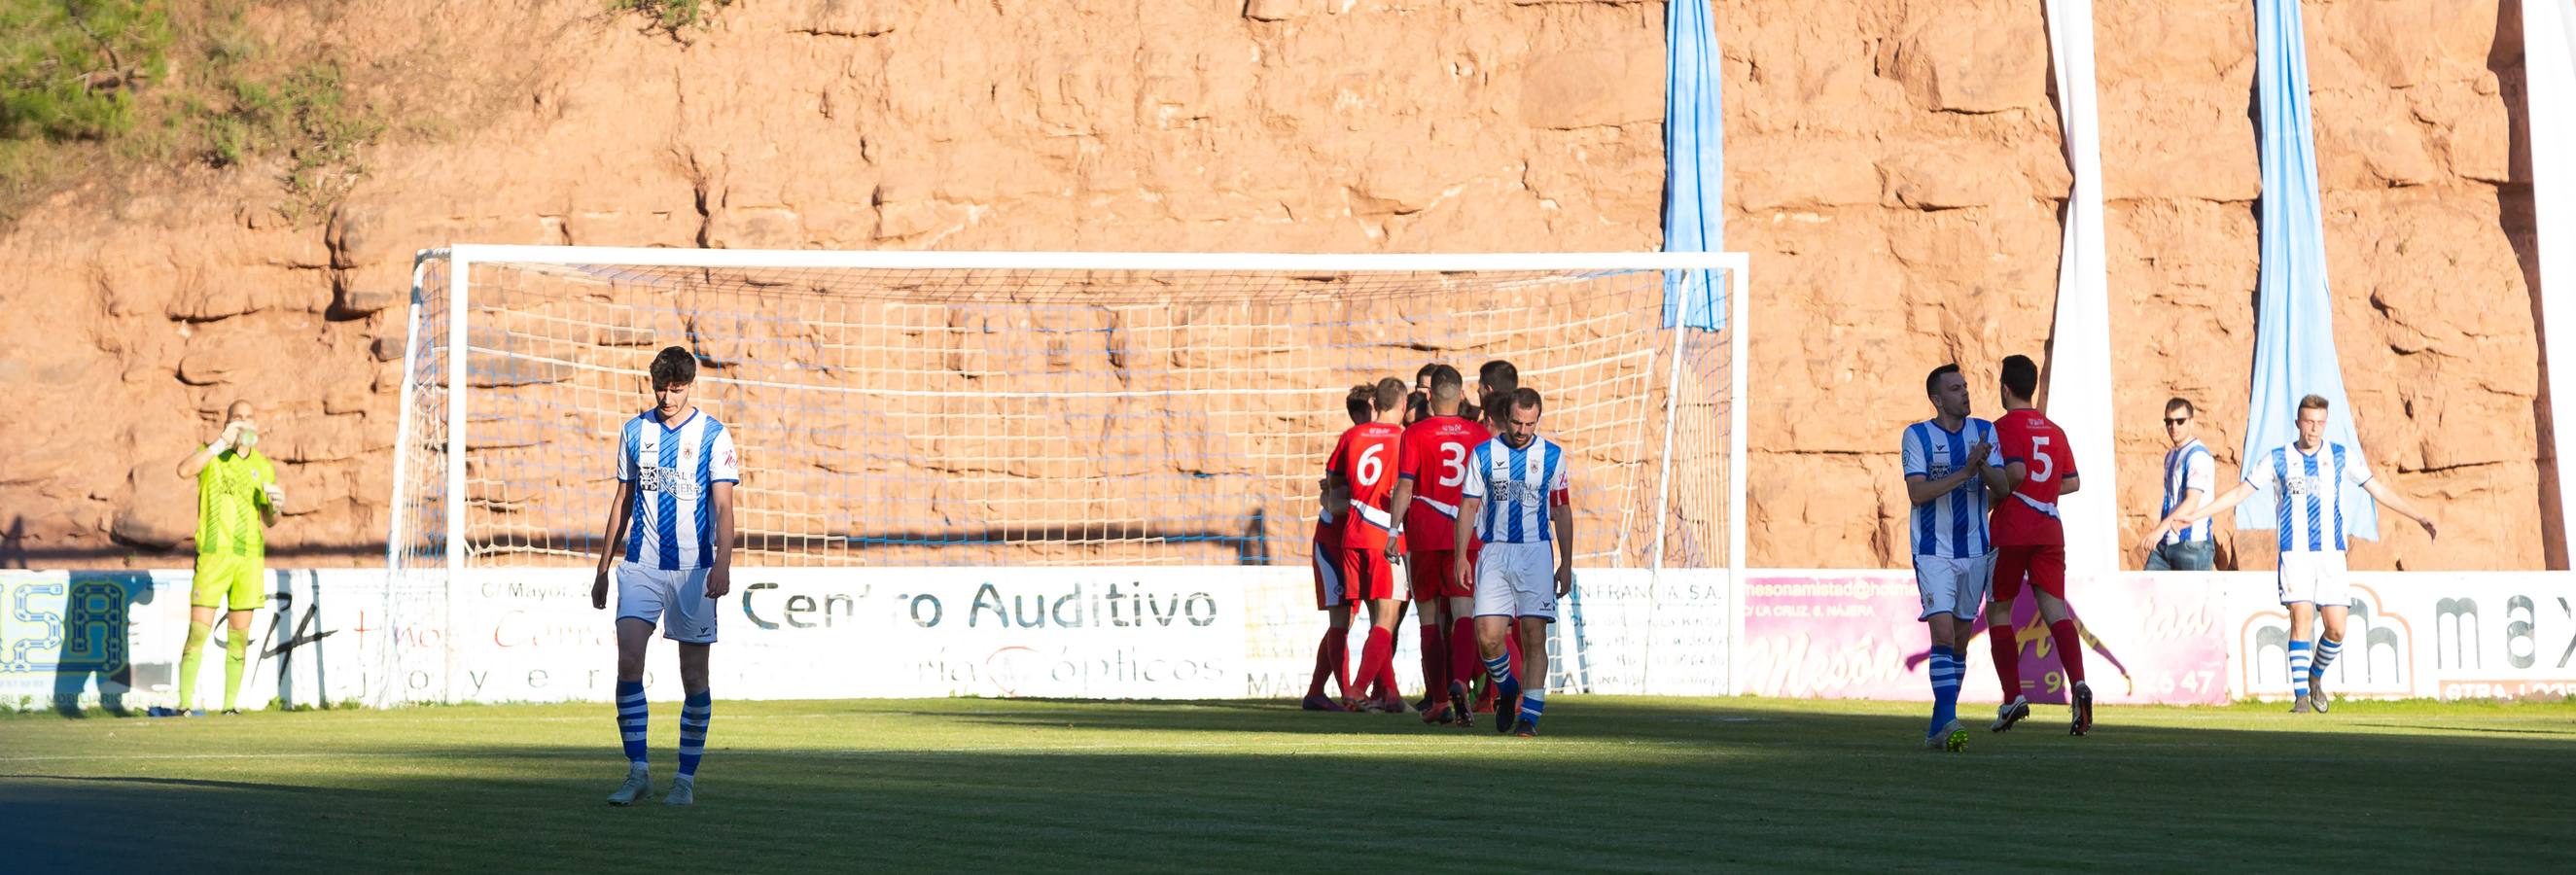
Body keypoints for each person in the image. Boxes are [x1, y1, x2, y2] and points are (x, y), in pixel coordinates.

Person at [2148, 394, 2439, 713]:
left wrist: (2419, 516)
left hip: (2331, 555)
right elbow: (2240, 493)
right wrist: (2198, 513)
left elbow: (2378, 490)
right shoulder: (2279, 458)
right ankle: (2300, 699)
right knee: (2301, 619)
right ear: (2298, 422)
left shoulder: (2340, 456)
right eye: (2309, 422)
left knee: (2337, 628)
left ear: (2325, 423)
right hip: (2295, 553)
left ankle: (2314, 677)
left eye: (2319, 423)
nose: (2314, 429)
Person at [591, 346, 740, 805]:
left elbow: (724, 506)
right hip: (640, 565)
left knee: (693, 677)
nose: (667, 396)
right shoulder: (635, 431)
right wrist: (602, 567)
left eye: (676, 388)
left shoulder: (715, 436)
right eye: (661, 387)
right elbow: (623, 501)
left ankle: (685, 779)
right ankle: (638, 772)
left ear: (690, 385)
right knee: (629, 661)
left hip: (695, 570)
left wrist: (723, 562)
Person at [1981, 356, 2093, 736]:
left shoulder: (2000, 428)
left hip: (2013, 527)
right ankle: (2078, 684)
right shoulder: (2055, 430)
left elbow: (2012, 475)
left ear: (2005, 388)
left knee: (1999, 612)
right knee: (2055, 610)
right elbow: (2073, 481)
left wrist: (1997, 500)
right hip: (2050, 529)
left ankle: (2012, 696)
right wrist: (2042, 492)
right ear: (2032, 387)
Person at [1452, 388, 1574, 738]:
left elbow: (1562, 510)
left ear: (1538, 419)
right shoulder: (1484, 453)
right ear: (1505, 418)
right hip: (1494, 550)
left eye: (1530, 423)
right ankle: (1507, 686)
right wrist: (1461, 554)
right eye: (1518, 422)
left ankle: (1529, 719)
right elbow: (1469, 506)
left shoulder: (1552, 456)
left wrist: (1565, 563)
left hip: (1535, 551)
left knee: (1534, 634)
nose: (1523, 430)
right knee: (1488, 637)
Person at [1901, 364, 2009, 752]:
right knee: (1943, 634)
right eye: (1954, 388)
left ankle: (1937, 724)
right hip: (1932, 550)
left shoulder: (1984, 431)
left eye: (1965, 386)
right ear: (1937, 398)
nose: (1964, 393)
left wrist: (1982, 466)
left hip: (1975, 549)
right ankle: (1949, 721)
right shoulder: (1916, 436)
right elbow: (1917, 494)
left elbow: (2002, 487)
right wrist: (1966, 470)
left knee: (1960, 641)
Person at [1385, 365, 1491, 726]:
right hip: (1468, 534)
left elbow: (1404, 486)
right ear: (1461, 396)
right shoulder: (1479, 434)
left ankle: (1440, 700)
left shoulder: (1414, 433)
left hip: (1426, 534)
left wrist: (1392, 530)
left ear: (1430, 397)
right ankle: (1461, 678)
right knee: (1464, 613)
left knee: (1428, 617)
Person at [164, 401, 283, 717]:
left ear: (256, 424)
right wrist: (220, 443)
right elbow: (183, 470)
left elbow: (269, 520)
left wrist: (276, 508)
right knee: (199, 632)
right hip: (214, 556)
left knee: (239, 638)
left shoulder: (264, 466)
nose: (244, 423)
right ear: (227, 422)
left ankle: (230, 707)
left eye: (249, 417)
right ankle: (185, 704)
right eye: (237, 418)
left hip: (249, 560)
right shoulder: (212, 455)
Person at [1326, 377, 1410, 712]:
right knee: (1386, 619)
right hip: (1385, 536)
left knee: (1372, 616)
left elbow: (1334, 480)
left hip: (1352, 535)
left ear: (1375, 403)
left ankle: (1389, 695)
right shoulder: (1404, 438)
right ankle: (1358, 689)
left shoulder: (1351, 436)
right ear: (1403, 405)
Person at [1302, 387, 1372, 711]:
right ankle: (1347, 695)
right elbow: (1331, 498)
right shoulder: (1352, 441)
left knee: (1346, 620)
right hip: (1332, 543)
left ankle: (1318, 692)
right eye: (1375, 407)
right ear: (1362, 411)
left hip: (1352, 542)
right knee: (1340, 621)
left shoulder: (1367, 440)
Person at [2142, 398, 2219, 571]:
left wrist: (2160, 530)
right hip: (2166, 542)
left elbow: (2192, 501)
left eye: (2180, 421)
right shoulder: (2170, 455)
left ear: (2191, 422)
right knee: (2147, 592)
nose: (2174, 427)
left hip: (2191, 544)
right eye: (2169, 422)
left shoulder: (2197, 455)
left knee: (2190, 598)